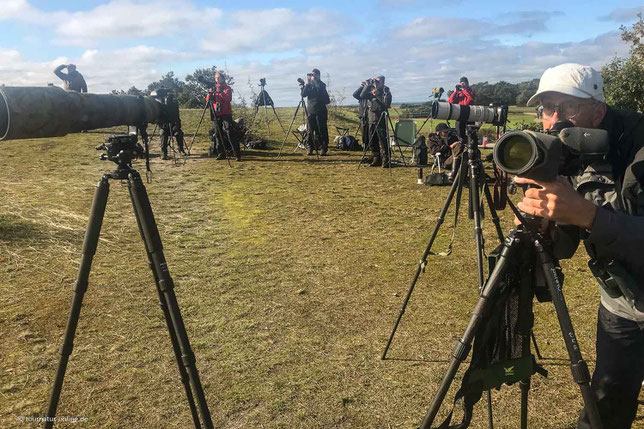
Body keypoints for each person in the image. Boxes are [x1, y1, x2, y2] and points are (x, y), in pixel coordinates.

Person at [518, 63, 644, 429]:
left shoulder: (639, 147)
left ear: (598, 110)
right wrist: (542, 220)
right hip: (621, 304)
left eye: (567, 107)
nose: (555, 121)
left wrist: (590, 216)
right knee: (605, 405)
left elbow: (592, 221)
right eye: (546, 109)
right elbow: (563, 247)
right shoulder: (563, 154)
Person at [199, 72, 240, 161]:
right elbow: (207, 100)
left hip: (226, 113)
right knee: (218, 134)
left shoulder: (227, 88)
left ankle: (237, 154)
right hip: (216, 114)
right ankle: (221, 153)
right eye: (216, 78)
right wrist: (211, 92)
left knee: (229, 132)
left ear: (222, 78)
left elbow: (228, 99)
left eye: (218, 78)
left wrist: (220, 91)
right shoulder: (213, 88)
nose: (216, 79)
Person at [360, 76, 392, 168]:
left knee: (383, 140)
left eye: (378, 82)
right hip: (371, 118)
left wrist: (377, 95)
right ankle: (376, 157)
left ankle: (386, 159)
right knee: (372, 140)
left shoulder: (386, 92)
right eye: (375, 82)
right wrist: (368, 84)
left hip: (380, 118)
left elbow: (387, 104)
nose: (376, 83)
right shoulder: (372, 91)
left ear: (383, 82)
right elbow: (362, 95)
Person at [300, 68, 330, 155]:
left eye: (313, 74)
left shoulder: (321, 84)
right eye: (311, 75)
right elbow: (304, 94)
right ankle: (310, 147)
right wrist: (308, 83)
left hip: (321, 111)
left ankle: (323, 147)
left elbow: (319, 89)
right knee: (310, 131)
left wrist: (315, 80)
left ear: (318, 75)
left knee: (321, 130)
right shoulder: (310, 85)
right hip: (311, 111)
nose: (312, 76)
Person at [353, 81, 371, 160]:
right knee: (364, 131)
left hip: (369, 115)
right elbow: (354, 94)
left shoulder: (370, 94)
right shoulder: (361, 95)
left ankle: (370, 145)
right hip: (362, 115)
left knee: (370, 131)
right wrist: (362, 87)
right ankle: (365, 145)